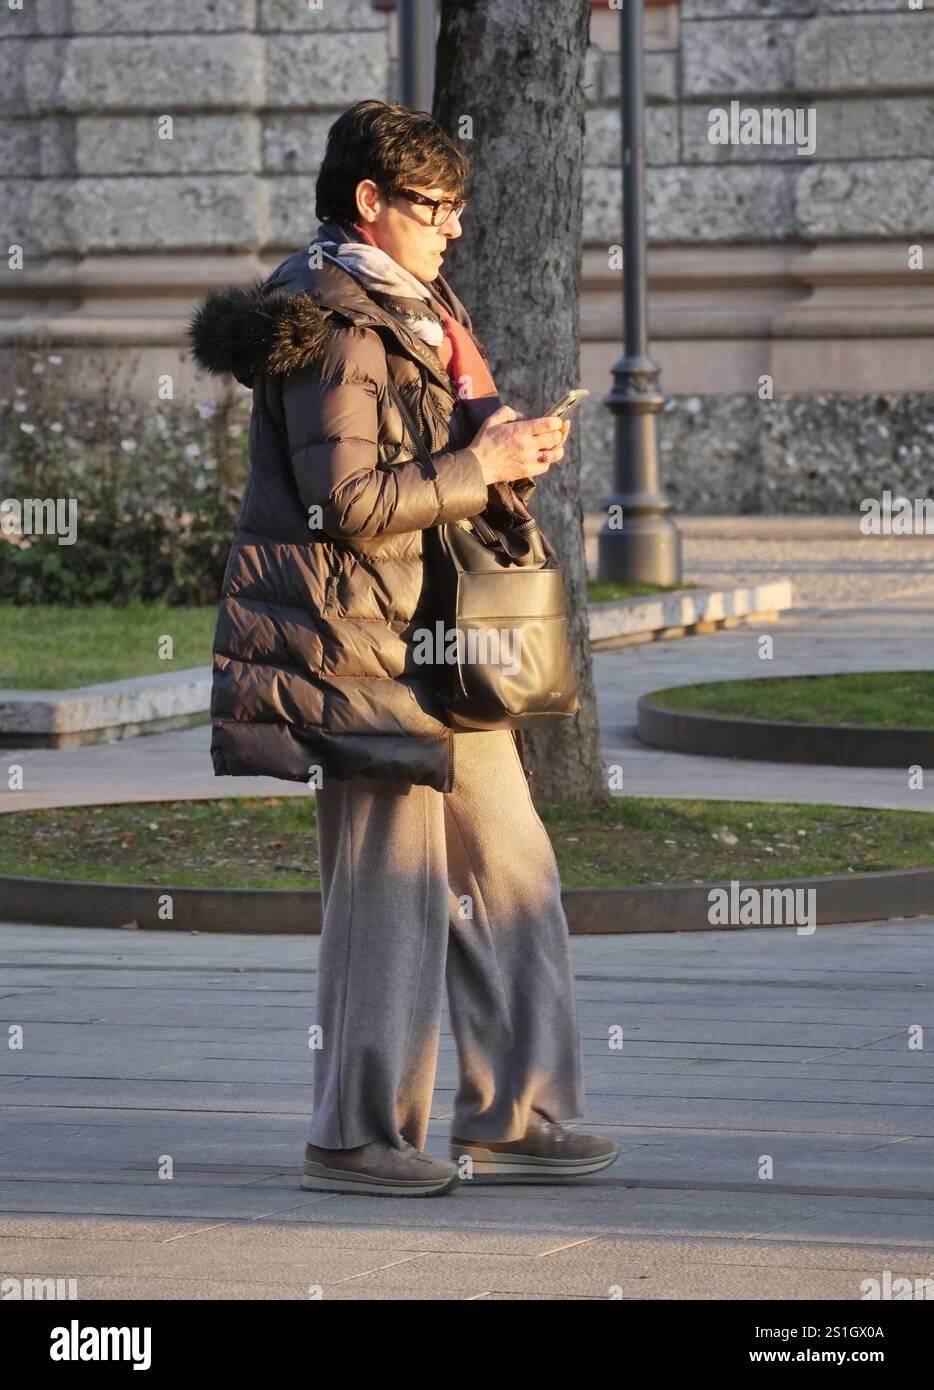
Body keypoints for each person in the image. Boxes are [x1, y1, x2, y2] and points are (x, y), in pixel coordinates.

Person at [188, 99, 619, 1196]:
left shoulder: (414, 307)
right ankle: (355, 1133)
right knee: (391, 892)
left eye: (459, 206)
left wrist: (500, 453)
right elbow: (344, 500)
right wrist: (482, 463)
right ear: (367, 203)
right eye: (432, 206)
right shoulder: (333, 319)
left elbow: (424, 470)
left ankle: (512, 1116)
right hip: (359, 647)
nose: (453, 226)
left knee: (511, 869)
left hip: (437, 638)